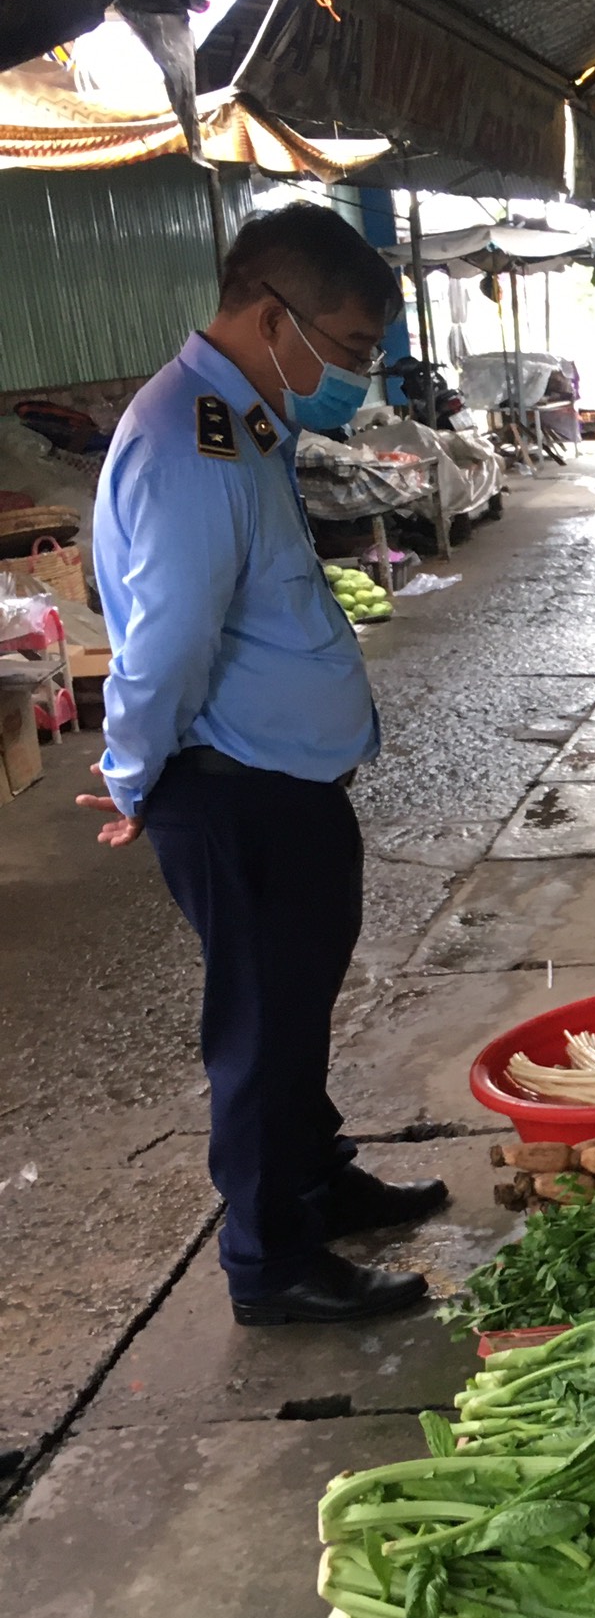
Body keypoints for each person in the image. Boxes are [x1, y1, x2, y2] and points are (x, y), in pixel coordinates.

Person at [77, 205, 446, 1326]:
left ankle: (317, 1182)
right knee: (261, 1027)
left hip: (279, 784)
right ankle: (271, 1258)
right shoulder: (191, 440)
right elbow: (169, 638)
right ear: (272, 318)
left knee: (296, 1004)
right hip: (234, 790)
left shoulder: (240, 419)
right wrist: (132, 772)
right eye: (348, 347)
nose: (354, 375)